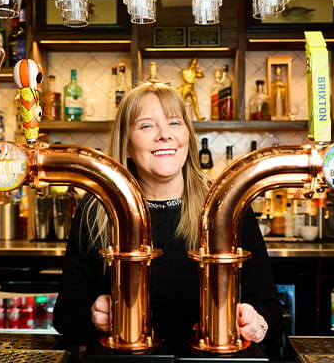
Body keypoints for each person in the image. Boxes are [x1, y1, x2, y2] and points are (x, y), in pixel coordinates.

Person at [53, 82, 281, 350]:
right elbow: (65, 317)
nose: (164, 135)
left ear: (188, 136)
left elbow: (271, 309)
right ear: (126, 145)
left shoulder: (225, 205)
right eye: (146, 125)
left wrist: (258, 323)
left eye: (174, 123)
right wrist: (92, 316)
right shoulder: (97, 209)